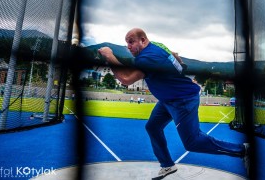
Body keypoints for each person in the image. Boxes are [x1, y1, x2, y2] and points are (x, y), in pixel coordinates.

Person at [98, 28, 249, 179]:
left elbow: (125, 79)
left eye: (131, 42)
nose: (128, 46)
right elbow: (175, 55)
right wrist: (179, 66)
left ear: (143, 40)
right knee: (152, 127)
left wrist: (109, 55)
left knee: (192, 142)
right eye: (126, 43)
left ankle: (243, 150)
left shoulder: (146, 59)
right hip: (168, 100)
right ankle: (167, 165)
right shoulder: (157, 45)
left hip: (183, 100)